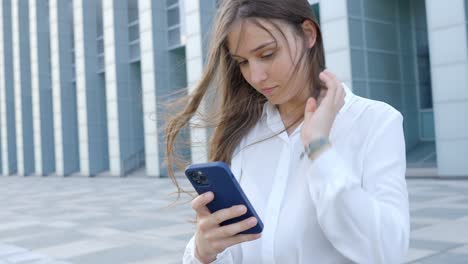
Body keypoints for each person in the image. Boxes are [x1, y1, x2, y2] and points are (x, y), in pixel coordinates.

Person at [165, 0, 410, 263]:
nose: (256, 76)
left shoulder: (375, 122)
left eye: (267, 54)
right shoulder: (243, 132)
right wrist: (204, 251)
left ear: (308, 34)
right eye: (242, 62)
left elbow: (388, 251)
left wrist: (319, 148)